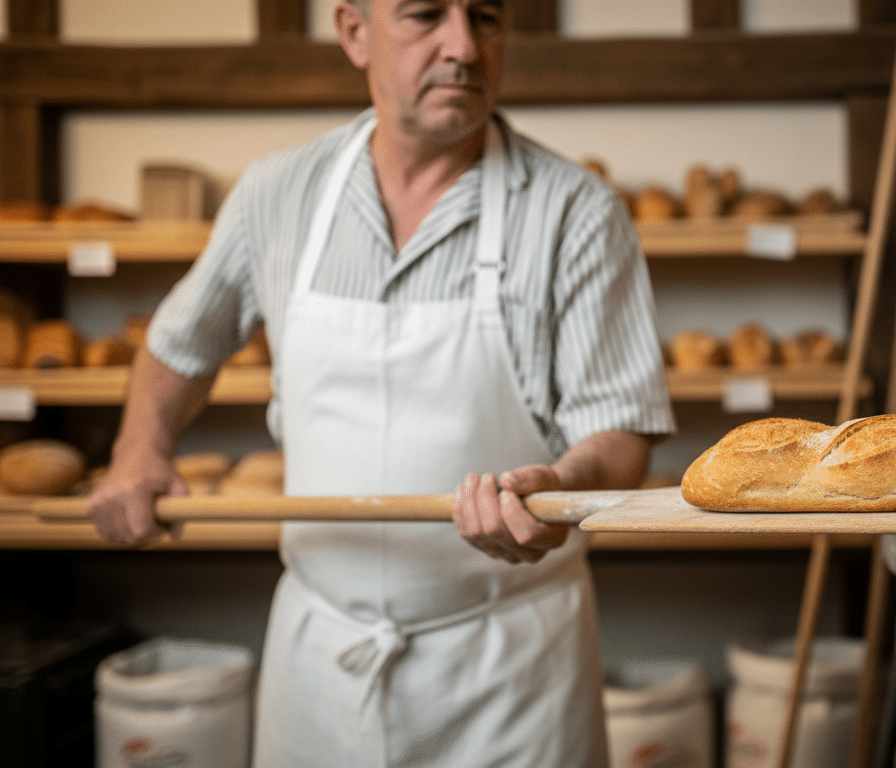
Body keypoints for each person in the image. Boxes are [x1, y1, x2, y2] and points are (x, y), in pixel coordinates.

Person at [85, 0, 674, 765]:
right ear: (353, 32)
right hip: (321, 666)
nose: (463, 45)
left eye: (487, 17)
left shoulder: (576, 211)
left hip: (509, 678)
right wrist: (140, 448)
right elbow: (179, 346)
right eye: (426, 15)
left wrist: (562, 486)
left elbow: (620, 433)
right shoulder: (278, 194)